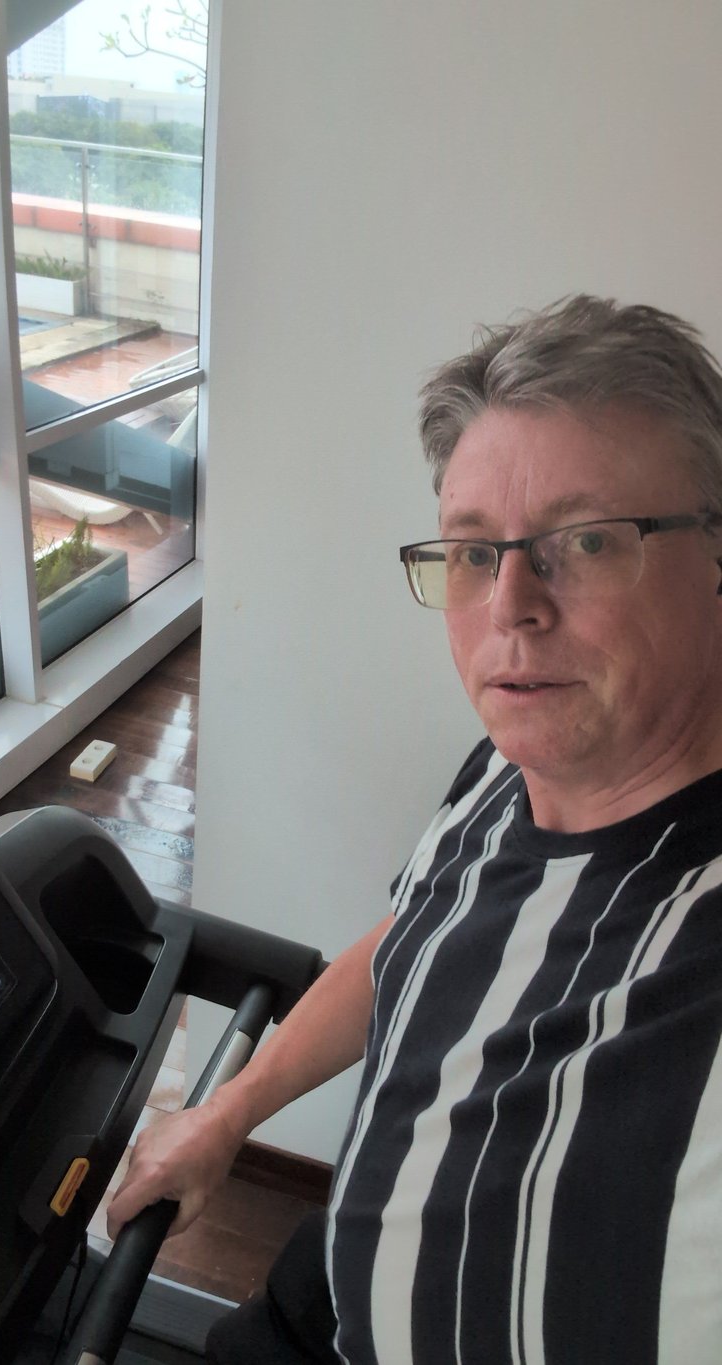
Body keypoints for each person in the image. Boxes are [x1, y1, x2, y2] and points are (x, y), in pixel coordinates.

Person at [108, 295, 722, 1363]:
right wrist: (227, 1112)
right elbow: (414, 938)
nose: (511, 607)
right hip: (319, 1297)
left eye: (585, 540)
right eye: (475, 553)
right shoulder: (504, 769)